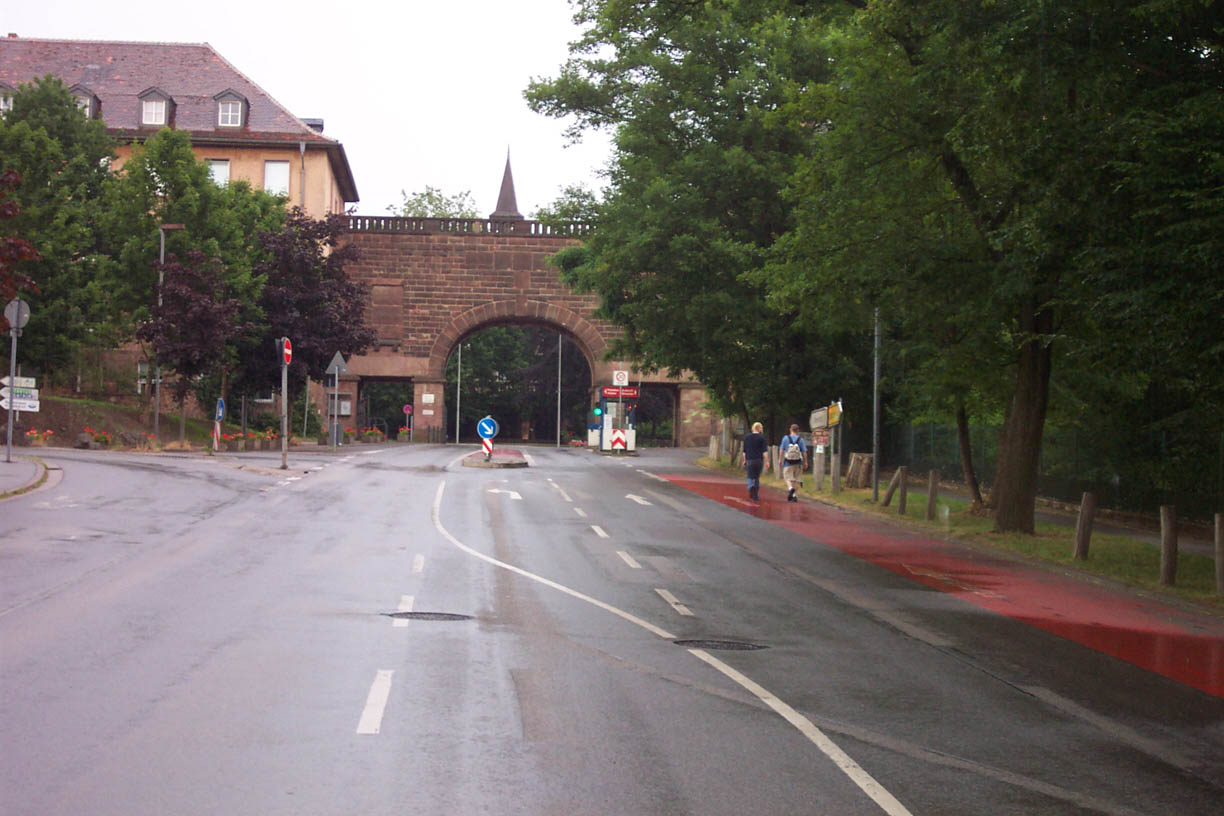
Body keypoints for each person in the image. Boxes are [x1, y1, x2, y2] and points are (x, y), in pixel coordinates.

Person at [740, 421, 769, 502]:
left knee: (749, 476)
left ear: (753, 428)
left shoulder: (747, 437)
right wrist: (767, 461)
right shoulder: (761, 438)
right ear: (760, 429)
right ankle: (756, 496)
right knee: (756, 477)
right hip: (759, 460)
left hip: (750, 459)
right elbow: (765, 452)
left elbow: (744, 451)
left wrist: (744, 460)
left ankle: (750, 486)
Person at [779, 424, 808, 502]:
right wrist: (805, 462)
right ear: (798, 431)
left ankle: (790, 488)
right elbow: (804, 451)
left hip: (788, 462)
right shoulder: (800, 440)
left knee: (787, 477)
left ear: (790, 429)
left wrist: (780, 460)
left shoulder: (785, 438)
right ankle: (794, 495)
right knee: (796, 479)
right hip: (798, 462)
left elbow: (781, 449)